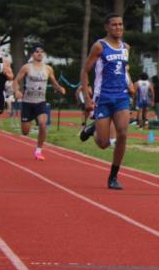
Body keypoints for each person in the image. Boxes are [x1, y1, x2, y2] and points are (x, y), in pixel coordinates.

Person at [79, 14, 135, 189]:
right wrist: (87, 99)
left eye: (120, 24)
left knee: (123, 134)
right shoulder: (99, 46)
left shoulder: (126, 47)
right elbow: (85, 71)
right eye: (114, 25)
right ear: (107, 27)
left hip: (121, 96)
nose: (118, 27)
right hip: (103, 97)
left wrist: (130, 84)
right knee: (103, 143)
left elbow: (123, 69)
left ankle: (113, 176)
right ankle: (93, 129)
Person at [14, 45, 66, 160]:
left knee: (43, 124)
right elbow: (16, 81)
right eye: (37, 52)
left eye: (41, 52)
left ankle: (38, 151)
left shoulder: (48, 69)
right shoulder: (26, 67)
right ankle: (30, 119)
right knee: (25, 132)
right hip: (27, 102)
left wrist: (60, 88)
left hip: (40, 102)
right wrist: (17, 91)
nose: (39, 54)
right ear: (32, 54)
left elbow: (54, 83)